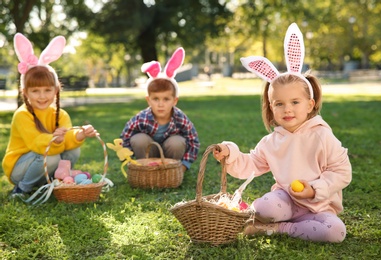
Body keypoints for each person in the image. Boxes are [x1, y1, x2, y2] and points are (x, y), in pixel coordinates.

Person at [213, 23, 352, 243]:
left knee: (335, 232)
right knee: (263, 207)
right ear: (271, 107)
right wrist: (230, 152)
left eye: (295, 102)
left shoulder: (322, 135)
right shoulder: (271, 142)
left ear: (310, 104)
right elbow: (250, 165)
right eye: (279, 104)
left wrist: (314, 189)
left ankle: (277, 229)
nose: (287, 109)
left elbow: (342, 171)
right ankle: (272, 220)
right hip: (286, 201)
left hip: (319, 206)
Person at [2, 33, 98, 199]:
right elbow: (37, 144)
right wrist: (55, 139)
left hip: (44, 163)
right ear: (25, 92)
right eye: (35, 91)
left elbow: (68, 139)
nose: (42, 96)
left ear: (56, 90)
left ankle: (56, 180)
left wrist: (80, 134)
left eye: (47, 90)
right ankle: (21, 188)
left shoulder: (60, 114)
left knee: (74, 150)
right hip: (20, 168)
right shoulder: (22, 115)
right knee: (52, 156)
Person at [120, 47, 199, 173]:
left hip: (170, 153)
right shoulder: (142, 118)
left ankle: (171, 171)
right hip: (149, 152)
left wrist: (185, 165)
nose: (160, 104)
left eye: (166, 99)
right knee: (138, 139)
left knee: (177, 142)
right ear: (148, 100)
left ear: (175, 101)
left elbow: (193, 141)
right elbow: (125, 137)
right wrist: (129, 159)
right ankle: (146, 170)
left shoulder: (180, 118)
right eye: (156, 99)